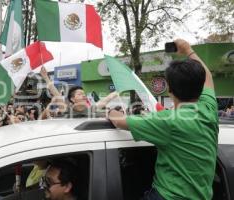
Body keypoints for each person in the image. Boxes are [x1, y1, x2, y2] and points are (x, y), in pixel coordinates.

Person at [108, 39, 218, 200]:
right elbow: (207, 76)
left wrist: (111, 111)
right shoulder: (209, 109)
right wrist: (189, 50)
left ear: (170, 91)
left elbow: (119, 121)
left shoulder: (167, 120)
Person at [39, 66, 118, 119]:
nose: (84, 96)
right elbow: (56, 93)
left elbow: (107, 99)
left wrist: (119, 90)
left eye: (84, 94)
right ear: (72, 99)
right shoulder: (66, 109)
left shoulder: (91, 109)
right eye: (80, 94)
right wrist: (45, 77)